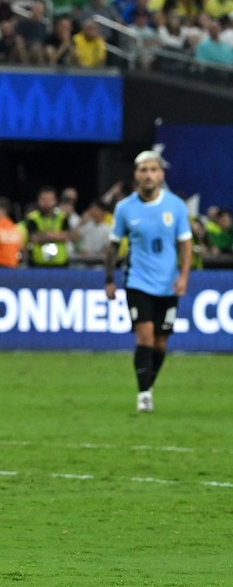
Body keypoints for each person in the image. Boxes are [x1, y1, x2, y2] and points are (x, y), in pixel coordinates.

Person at [106, 151, 192, 414]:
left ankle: (148, 384)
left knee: (160, 342)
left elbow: (185, 244)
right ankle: (144, 394)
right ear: (136, 174)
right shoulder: (125, 208)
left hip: (167, 284)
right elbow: (112, 246)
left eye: (153, 169)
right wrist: (109, 279)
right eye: (143, 170)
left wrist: (184, 276)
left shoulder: (176, 206)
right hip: (137, 281)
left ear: (161, 175)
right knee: (144, 336)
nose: (148, 175)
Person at [25, 186, 76, 267]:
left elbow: (66, 236)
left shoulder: (62, 217)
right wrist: (55, 235)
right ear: (38, 201)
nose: (47, 202)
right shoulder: (32, 218)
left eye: (49, 199)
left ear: (55, 201)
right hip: (38, 264)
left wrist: (45, 235)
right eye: (44, 199)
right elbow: (34, 238)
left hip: (60, 263)